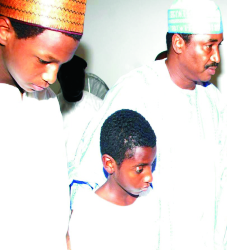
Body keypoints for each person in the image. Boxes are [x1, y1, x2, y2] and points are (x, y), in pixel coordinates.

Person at [71, 0, 227, 249]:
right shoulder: (135, 92)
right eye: (209, 46)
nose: (216, 57)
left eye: (219, 46)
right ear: (179, 43)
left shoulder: (213, 101)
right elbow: (89, 178)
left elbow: (222, 168)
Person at [0, 1, 86, 249]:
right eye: (43, 60)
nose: (52, 77)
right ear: (4, 30)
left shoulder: (45, 99)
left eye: (61, 64)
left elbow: (55, 188)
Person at [68, 109, 159, 250]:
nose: (149, 177)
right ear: (110, 164)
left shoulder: (149, 198)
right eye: (139, 169)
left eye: (151, 165)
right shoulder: (88, 214)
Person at [57, 55, 105, 209]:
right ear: (59, 78)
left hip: (90, 182)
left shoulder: (99, 107)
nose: (74, 83)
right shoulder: (51, 106)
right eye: (69, 77)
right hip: (59, 181)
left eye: (79, 78)